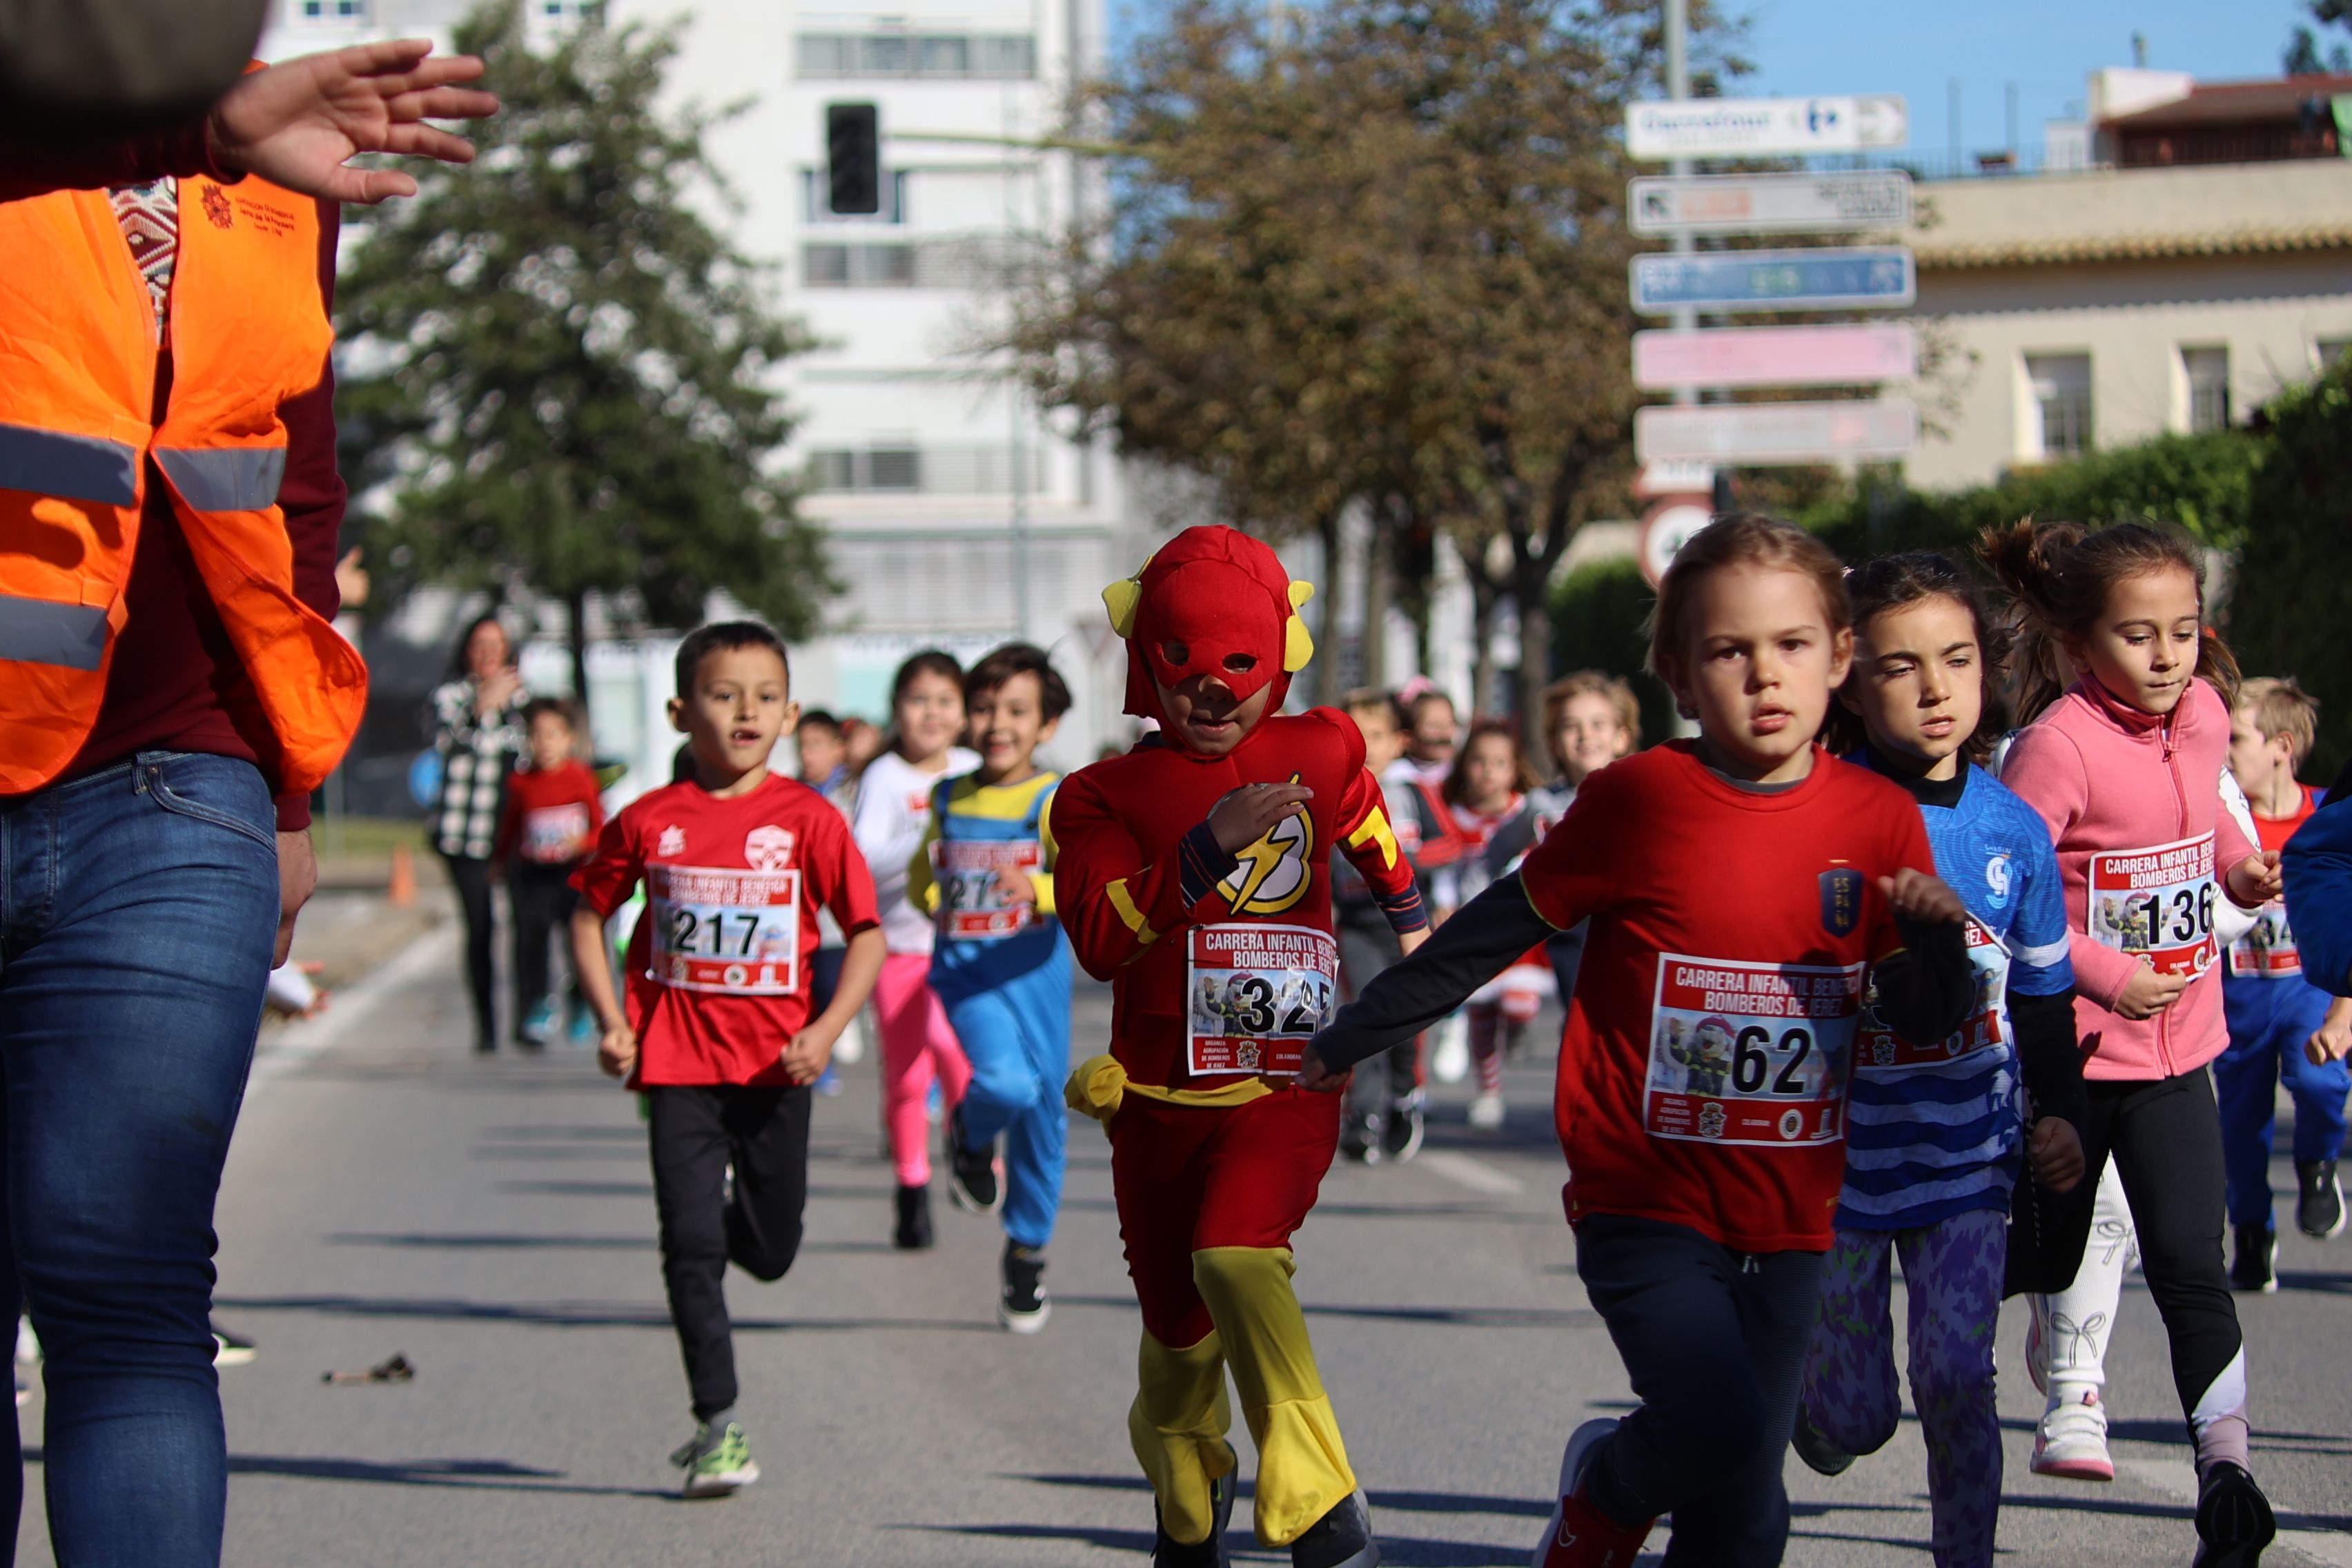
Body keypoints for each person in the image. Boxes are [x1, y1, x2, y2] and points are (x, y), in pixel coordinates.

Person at [0, 43, 493, 1568]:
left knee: (127, 1282)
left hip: (178, 778)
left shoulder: (283, 155)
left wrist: (287, 794)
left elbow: (299, 481)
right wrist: (191, 120)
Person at [1303, 514, 1974, 1568]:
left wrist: (1935, 947)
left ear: (1840, 659)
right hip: (1644, 1189)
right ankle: (1604, 1498)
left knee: (1745, 1522)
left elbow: (1926, 1019)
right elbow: (1491, 932)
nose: (1765, 676)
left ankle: (1638, 1488)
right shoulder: (1637, 800)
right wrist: (1349, 1037)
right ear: (1677, 671)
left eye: (1793, 646)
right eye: (1728, 650)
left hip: (1794, 1207)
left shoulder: (1874, 819)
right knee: (1710, 1423)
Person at [1055, 525, 1428, 1567]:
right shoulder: (1100, 796)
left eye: (1240, 667)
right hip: (1156, 1102)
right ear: (1147, 665)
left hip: (1287, 1080)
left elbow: (1361, 813)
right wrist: (1202, 854)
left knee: (1237, 1253)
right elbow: (1096, 939)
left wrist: (1411, 920)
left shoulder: (1323, 746)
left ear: (1281, 655)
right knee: (1177, 1331)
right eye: (1185, 667)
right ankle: (1189, 1502)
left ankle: (1315, 1497)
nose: (1214, 695)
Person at [1980, 518, 2282, 1562]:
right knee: (2053, 1254)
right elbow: (2005, 897)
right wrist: (2109, 973)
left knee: (2191, 1263)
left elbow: (2210, 812)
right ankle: (2028, 1321)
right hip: (2070, 1057)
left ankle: (2227, 1473)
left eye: (2185, 633)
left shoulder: (2202, 713)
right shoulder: (2054, 749)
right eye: (2139, 637)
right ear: (2075, 644)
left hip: (2182, 1052)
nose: (2168, 659)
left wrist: (2238, 866)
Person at [1788, 552, 2087, 1568]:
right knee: (1861, 1417)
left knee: (1960, 1374)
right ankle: (1823, 1411)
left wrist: (2063, 1118)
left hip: (1969, 1155)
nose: (1933, 690)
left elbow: (2045, 1002)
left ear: (1987, 671)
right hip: (1836, 1167)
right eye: (1900, 666)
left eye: (1956, 661)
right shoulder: (1817, 812)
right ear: (1848, 678)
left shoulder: (2014, 831)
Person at [568, 622, 884, 1498]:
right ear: (680, 710)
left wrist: (824, 1030)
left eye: (765, 695)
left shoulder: (808, 820)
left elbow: (865, 935)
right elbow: (587, 913)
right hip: (674, 1065)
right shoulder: (647, 821)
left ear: (788, 714)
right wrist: (610, 1018)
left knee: (772, 1249)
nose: (746, 709)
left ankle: (736, 1226)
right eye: (722, 693)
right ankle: (717, 1424)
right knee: (691, 1245)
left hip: (777, 1068)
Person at [912, 644, 1075, 1331]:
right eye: (982, 708)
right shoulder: (950, 794)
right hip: (969, 974)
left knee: (1045, 1116)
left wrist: (1036, 888)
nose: (996, 724)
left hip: (1036, 979)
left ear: (1048, 725)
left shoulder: (1057, 799)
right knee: (1006, 1085)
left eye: (1016, 710)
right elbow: (924, 874)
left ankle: (1028, 1250)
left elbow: (1085, 883)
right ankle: (972, 1138)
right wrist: (935, 897)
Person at [2217, 676, 2351, 1277]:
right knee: (2240, 1126)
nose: (2225, 754)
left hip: (2309, 994)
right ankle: (2251, 1229)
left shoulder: (2329, 817)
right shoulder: (2224, 823)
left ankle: (2318, 1162)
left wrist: (2344, 1010)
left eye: (2236, 739)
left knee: (2319, 1081)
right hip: (2237, 1000)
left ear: (2283, 746)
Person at [852, 651, 979, 1248]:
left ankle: (969, 1144)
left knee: (953, 1050)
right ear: (897, 709)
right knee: (904, 1078)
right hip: (899, 947)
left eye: (944, 700)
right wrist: (919, 846)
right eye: (918, 700)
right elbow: (862, 858)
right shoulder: (883, 778)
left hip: (966, 948)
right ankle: (911, 1188)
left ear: (963, 713)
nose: (931, 713)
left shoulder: (977, 768)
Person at [1333, 689, 1453, 1164]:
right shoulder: (1334, 794)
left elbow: (1451, 844)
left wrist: (1406, 861)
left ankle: (1404, 1096)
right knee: (1365, 1011)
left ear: (1400, 742)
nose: (1368, 746)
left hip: (1407, 926)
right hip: (1358, 925)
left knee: (1403, 1019)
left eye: (1377, 736)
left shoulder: (1410, 794)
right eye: (1356, 736)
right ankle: (1362, 1116)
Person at [1435, 720, 1551, 1130]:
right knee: (1482, 1015)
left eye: (1499, 763)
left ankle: (1518, 1032)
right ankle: (1489, 1092)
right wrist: (1444, 903)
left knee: (1521, 1003)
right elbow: (1446, 869)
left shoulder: (1528, 811)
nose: (1488, 771)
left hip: (1518, 928)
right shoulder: (1453, 816)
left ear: (1514, 768)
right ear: (1466, 765)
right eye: (1480, 762)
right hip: (1472, 928)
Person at [430, 613, 528, 1052]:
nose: (489, 654)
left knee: (529, 925)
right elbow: (448, 744)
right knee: (482, 927)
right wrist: (481, 704)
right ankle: (486, 1024)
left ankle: (528, 1019)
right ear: (467, 651)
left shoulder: (525, 703)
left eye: (498, 645)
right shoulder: (450, 697)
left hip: (517, 836)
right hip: (464, 834)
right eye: (480, 645)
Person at [494, 697, 604, 1049]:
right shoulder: (521, 783)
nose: (545, 743)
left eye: (553, 735)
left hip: (572, 874)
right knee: (533, 937)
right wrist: (499, 861)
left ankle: (579, 1000)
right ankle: (539, 1004)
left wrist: (583, 843)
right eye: (537, 735)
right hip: (534, 873)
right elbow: (511, 826)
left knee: (577, 942)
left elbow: (599, 827)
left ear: (569, 739)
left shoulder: (579, 778)